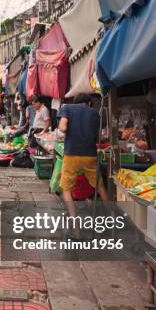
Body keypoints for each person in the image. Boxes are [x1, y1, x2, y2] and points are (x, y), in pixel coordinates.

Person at [57, 93, 108, 236]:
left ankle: (76, 228)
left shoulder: (67, 108)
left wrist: (67, 128)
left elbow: (62, 127)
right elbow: (101, 133)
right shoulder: (94, 113)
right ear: (89, 103)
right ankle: (112, 219)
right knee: (100, 187)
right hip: (90, 155)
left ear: (75, 101)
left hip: (71, 154)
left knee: (66, 190)